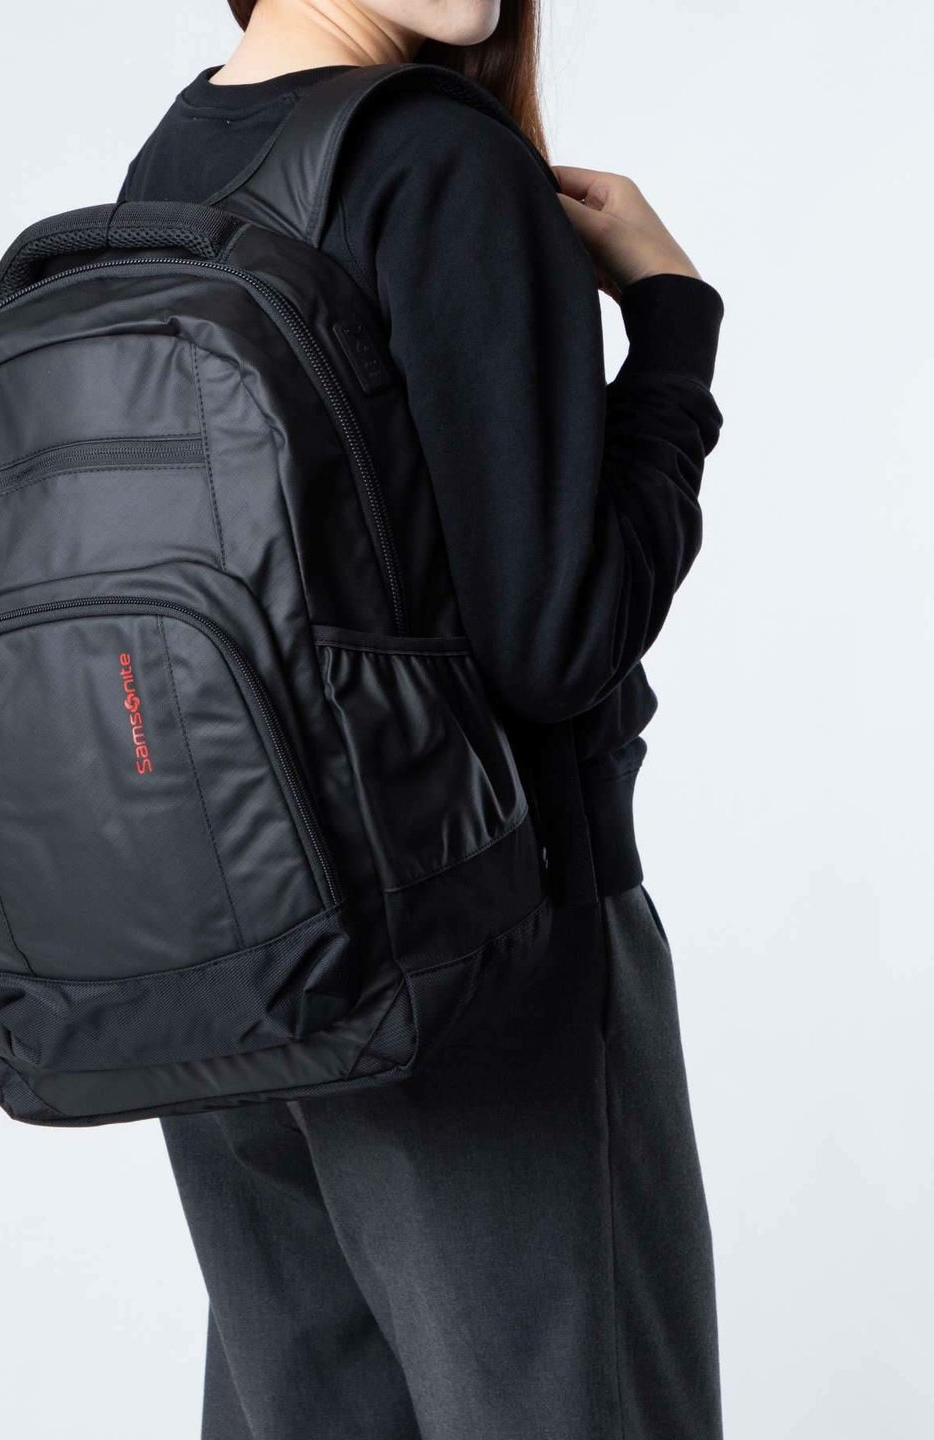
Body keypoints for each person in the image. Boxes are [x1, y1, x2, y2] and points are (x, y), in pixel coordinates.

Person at [119, 2, 725, 1435]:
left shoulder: (173, 163)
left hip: (233, 974)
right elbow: (556, 641)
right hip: (484, 967)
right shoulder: (438, 164)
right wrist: (675, 330)